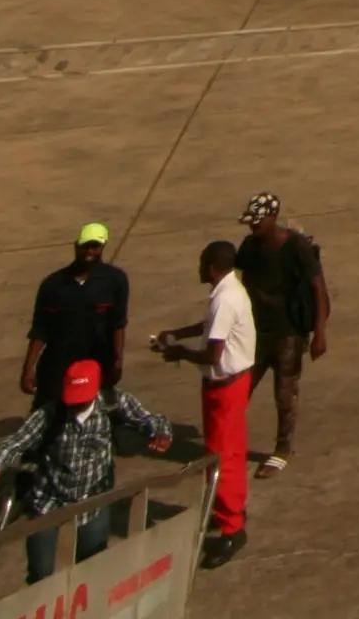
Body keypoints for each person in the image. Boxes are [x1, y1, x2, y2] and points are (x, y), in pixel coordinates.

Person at [0, 357, 170, 583]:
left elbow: (148, 418)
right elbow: (16, 441)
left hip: (93, 501)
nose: (75, 406)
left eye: (82, 400)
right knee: (40, 573)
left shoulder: (115, 402)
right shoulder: (51, 412)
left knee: (91, 570)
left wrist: (160, 433)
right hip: (49, 501)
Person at [151, 241, 256, 569]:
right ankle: (233, 507)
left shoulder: (225, 299)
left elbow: (212, 354)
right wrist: (178, 333)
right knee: (234, 451)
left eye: (201, 262)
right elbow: (210, 328)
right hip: (236, 383)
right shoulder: (231, 290)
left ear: (212, 267)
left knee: (219, 457)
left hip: (224, 388)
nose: (198, 267)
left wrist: (178, 353)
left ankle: (231, 529)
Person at [232, 192, 328, 475]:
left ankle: (282, 449)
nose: (252, 227)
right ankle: (229, 443)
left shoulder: (297, 247)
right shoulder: (250, 246)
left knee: (285, 394)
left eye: (257, 222)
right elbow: (236, 281)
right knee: (240, 388)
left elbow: (318, 289)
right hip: (256, 330)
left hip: (289, 331)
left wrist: (320, 332)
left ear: (273, 218)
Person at [17, 223, 130, 411]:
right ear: (76, 245)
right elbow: (40, 329)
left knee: (95, 416)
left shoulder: (115, 280)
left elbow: (118, 323)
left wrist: (118, 360)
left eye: (95, 246)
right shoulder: (53, 285)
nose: (90, 251)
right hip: (57, 366)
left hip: (96, 364)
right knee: (49, 416)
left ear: (103, 247)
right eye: (85, 245)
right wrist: (28, 369)